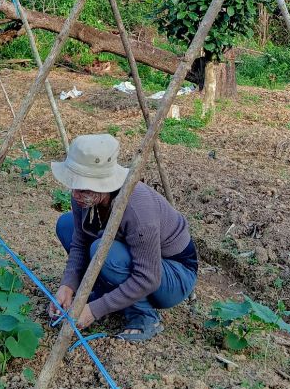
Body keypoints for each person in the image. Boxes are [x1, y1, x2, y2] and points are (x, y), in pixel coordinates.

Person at [49, 134, 197, 342]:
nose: (75, 194)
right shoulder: (83, 197)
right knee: (66, 225)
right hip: (135, 259)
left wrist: (94, 310)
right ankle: (108, 292)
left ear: (103, 184)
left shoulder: (137, 208)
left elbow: (148, 277)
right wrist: (68, 285)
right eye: (74, 185)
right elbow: (80, 243)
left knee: (104, 252)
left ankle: (144, 316)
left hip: (173, 274)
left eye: (83, 188)